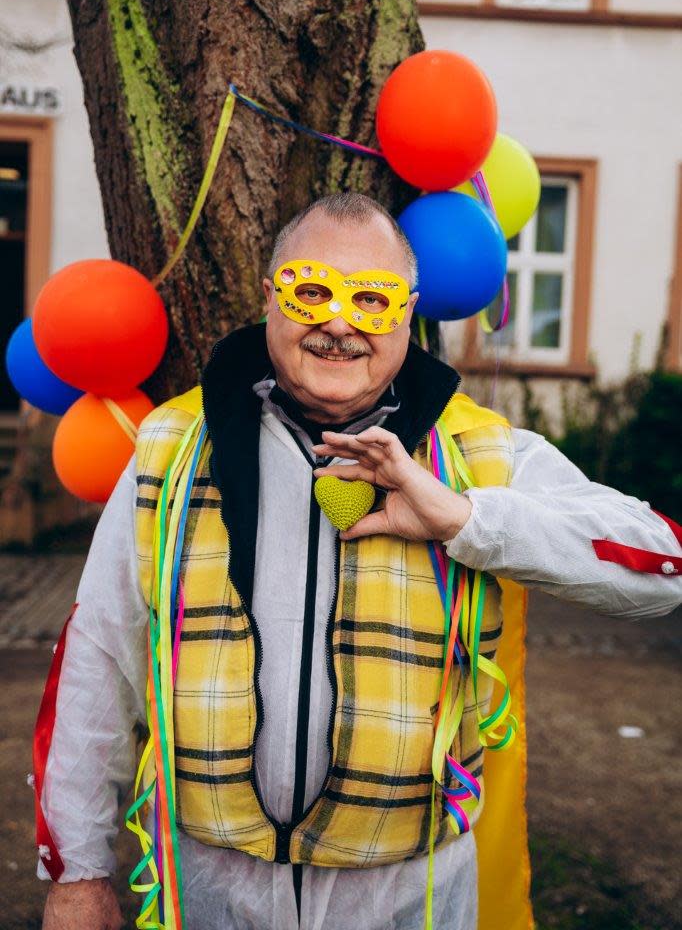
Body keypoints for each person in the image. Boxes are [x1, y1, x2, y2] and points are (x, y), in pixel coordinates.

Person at [39, 192, 681, 930]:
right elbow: (96, 660)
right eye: (311, 290)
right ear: (271, 297)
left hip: (410, 893)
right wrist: (77, 873)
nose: (338, 323)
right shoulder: (172, 449)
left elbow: (661, 566)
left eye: (371, 301)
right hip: (212, 887)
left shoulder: (478, 454)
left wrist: (466, 519)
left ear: (407, 315)